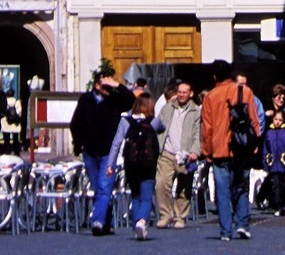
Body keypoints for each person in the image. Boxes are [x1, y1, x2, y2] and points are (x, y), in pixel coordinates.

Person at [70, 67, 136, 236]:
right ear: (97, 86)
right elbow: (75, 123)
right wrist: (79, 145)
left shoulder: (114, 99)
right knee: (98, 187)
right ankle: (108, 222)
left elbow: (130, 100)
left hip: (108, 152)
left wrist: (116, 84)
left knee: (105, 187)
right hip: (90, 152)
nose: (108, 90)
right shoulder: (85, 100)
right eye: (105, 86)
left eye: (109, 86)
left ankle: (97, 222)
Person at [201, 58, 260, 241]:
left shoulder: (211, 96)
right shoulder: (245, 91)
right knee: (241, 187)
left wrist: (207, 151)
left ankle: (226, 231)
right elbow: (254, 120)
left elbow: (207, 128)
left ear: (214, 77)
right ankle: (242, 224)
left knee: (223, 192)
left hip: (220, 149)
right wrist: (254, 143)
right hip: (242, 147)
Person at [107, 92, 165, 241]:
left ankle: (136, 226)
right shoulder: (154, 121)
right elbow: (162, 128)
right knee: (146, 196)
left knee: (135, 195)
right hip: (148, 163)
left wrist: (110, 164)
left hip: (131, 163)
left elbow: (116, 143)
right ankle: (142, 221)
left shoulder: (125, 121)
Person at [155, 81, 201, 230]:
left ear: (190, 94)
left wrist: (195, 151)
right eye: (179, 92)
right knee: (162, 184)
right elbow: (157, 126)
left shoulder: (196, 111)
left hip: (185, 154)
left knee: (184, 187)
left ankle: (180, 216)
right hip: (167, 152)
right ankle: (165, 215)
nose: (181, 95)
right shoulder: (167, 109)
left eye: (184, 92)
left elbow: (197, 133)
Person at [262, 108, 285, 215]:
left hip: (284, 165)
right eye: (275, 119)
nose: (277, 122)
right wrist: (266, 166)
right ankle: (278, 206)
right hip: (273, 166)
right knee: (275, 187)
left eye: (280, 120)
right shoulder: (269, 133)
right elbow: (265, 150)